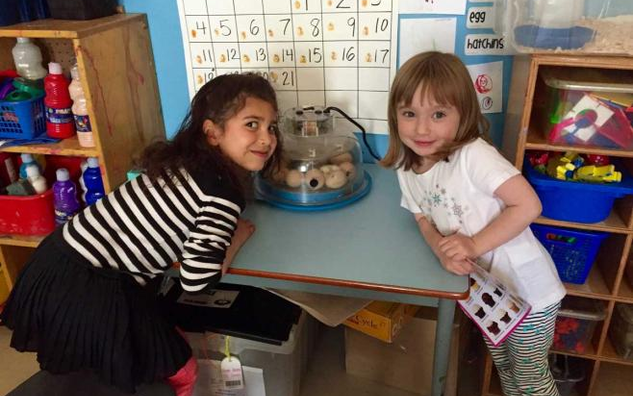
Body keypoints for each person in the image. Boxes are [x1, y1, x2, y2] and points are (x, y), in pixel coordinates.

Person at [0, 73, 282, 395]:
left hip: (55, 262)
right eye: (252, 124)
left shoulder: (183, 163)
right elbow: (197, 281)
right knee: (183, 370)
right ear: (213, 133)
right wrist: (237, 237)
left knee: (158, 335)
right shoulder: (221, 193)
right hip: (88, 289)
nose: (266, 138)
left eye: (271, 126)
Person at [381, 51, 566, 396]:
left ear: (462, 114)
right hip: (488, 296)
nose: (421, 128)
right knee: (505, 369)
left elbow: (528, 204)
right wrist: (439, 248)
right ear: (395, 116)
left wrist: (473, 245)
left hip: (529, 293)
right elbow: (421, 215)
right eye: (409, 114)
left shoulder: (473, 155)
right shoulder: (407, 166)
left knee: (531, 381)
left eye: (438, 114)